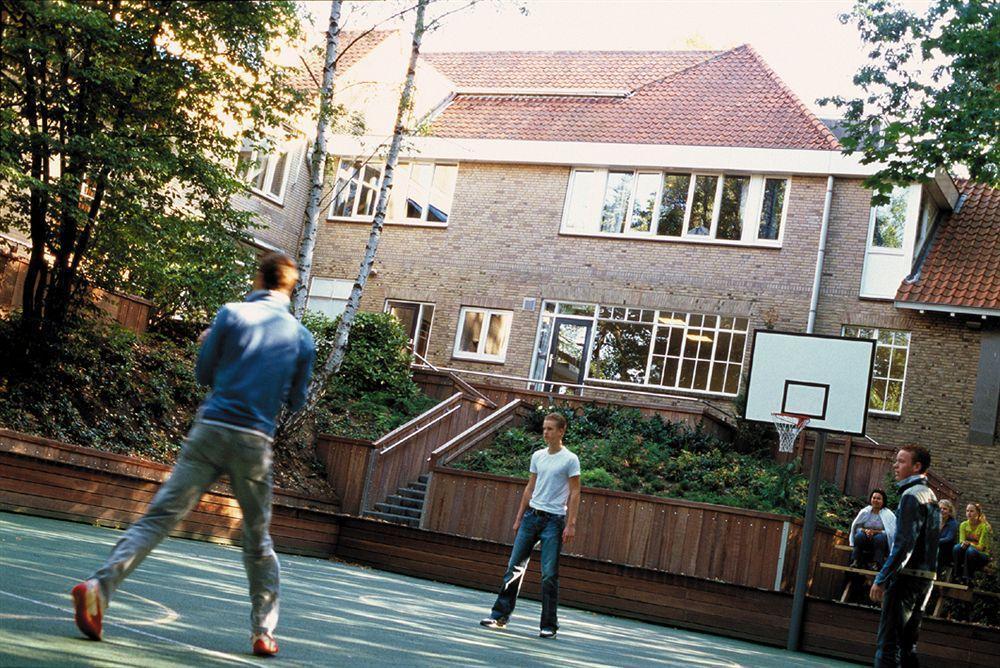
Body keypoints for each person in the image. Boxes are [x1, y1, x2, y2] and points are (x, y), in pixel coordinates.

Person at [70, 252, 316, 657]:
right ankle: (263, 632)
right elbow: (296, 400)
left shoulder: (230, 315)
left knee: (158, 519)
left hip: (211, 430)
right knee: (257, 539)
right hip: (254, 442)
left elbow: (204, 374)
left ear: (259, 278)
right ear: (290, 287)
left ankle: (99, 587)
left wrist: (218, 350)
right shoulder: (302, 338)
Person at [480, 412, 581, 638]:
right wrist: (518, 517)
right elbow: (529, 487)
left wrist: (571, 524)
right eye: (544, 428)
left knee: (548, 574)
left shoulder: (570, 459)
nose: (545, 432)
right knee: (514, 567)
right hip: (531, 517)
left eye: (550, 429)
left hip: (554, 522)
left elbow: (575, 493)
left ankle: (548, 626)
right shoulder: (537, 456)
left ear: (561, 431)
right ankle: (499, 617)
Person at [870, 445, 941, 668]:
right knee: (908, 645)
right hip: (925, 579)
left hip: (906, 579)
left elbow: (903, 545)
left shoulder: (911, 496)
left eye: (901, 461)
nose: (895, 465)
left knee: (888, 645)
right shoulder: (930, 495)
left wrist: (882, 578)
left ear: (916, 466)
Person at [849, 489, 897, 570]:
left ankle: (877, 564)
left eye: (878, 498)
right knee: (859, 536)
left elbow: (891, 533)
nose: (875, 500)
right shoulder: (865, 511)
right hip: (865, 541)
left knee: (879, 538)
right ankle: (855, 561)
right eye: (874, 498)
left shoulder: (889, 515)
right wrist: (865, 531)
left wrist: (875, 532)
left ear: (883, 501)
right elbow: (856, 528)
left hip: (880, 544)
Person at [952, 502, 992, 584]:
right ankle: (956, 576)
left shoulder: (984, 527)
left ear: (978, 513)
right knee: (956, 548)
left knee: (970, 550)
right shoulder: (963, 525)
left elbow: (981, 547)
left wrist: (969, 544)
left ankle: (967, 578)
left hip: (982, 555)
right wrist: (965, 544)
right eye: (967, 511)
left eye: (971, 511)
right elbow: (961, 541)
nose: (968, 513)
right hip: (967, 551)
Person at [936, 499, 958, 577]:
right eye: (940, 508)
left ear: (950, 511)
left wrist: (934, 541)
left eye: (945, 509)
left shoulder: (953, 523)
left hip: (947, 550)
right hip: (936, 547)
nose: (942, 510)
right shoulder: (935, 521)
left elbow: (949, 538)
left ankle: (936, 576)